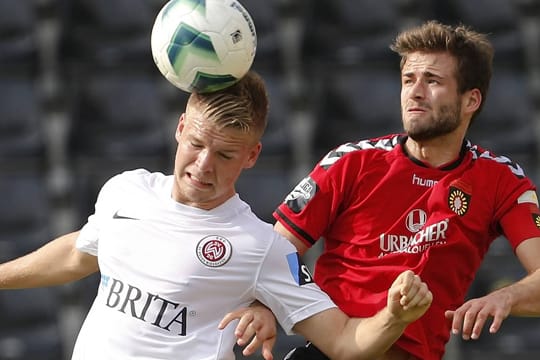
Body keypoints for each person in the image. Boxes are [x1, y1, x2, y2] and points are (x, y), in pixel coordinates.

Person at [0, 71, 433, 360]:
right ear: (180, 127)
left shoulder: (260, 246)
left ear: (251, 156)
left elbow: (342, 342)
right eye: (197, 144)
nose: (204, 165)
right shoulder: (126, 190)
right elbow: (78, 254)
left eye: (225, 154)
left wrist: (393, 318)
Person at [263, 20, 540, 360]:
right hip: (330, 351)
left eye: (433, 81)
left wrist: (506, 297)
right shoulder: (351, 162)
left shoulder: (500, 179)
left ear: (471, 100)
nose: (415, 91)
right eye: (408, 80)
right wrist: (262, 305)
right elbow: (274, 252)